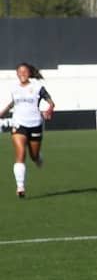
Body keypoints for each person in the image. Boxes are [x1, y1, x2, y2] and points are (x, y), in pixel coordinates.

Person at [3, 63, 52, 198]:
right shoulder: (14, 88)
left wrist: (50, 108)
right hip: (19, 124)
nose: (22, 74)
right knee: (20, 153)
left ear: (29, 73)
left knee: (33, 155)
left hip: (35, 124)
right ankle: (20, 186)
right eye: (20, 71)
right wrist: (3, 112)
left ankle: (37, 158)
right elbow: (13, 102)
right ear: (17, 74)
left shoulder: (37, 87)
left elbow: (50, 101)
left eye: (25, 71)